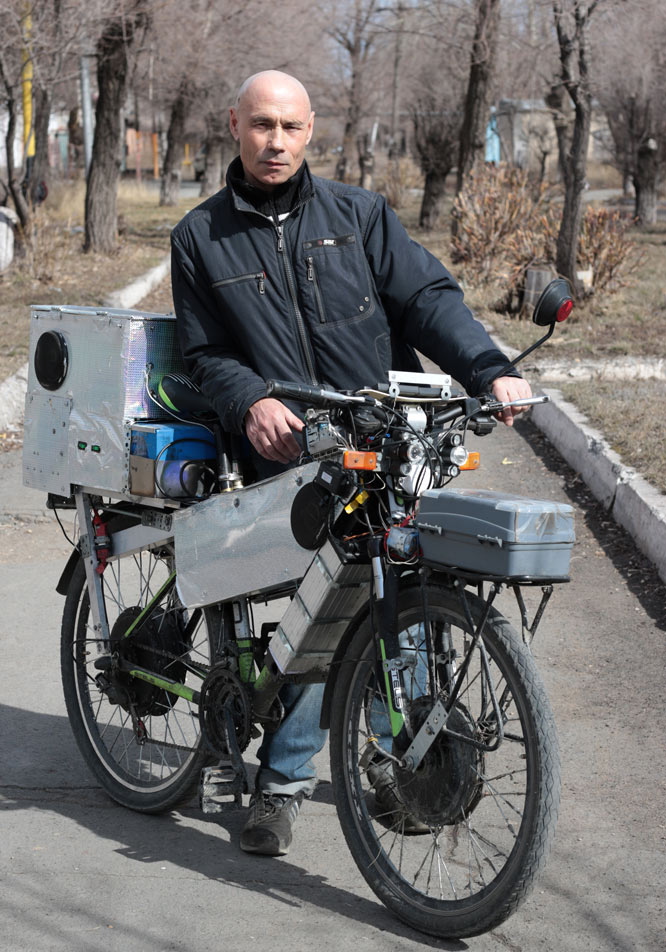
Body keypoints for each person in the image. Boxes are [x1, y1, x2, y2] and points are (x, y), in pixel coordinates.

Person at [170, 69, 532, 857]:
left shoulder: (359, 216)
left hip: (387, 436)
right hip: (289, 448)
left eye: (291, 127)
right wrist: (252, 403)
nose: (276, 141)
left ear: (311, 133)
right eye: (261, 124)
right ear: (235, 124)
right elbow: (205, 354)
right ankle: (282, 785)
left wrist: (487, 368)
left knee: (403, 590)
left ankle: (392, 759)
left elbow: (428, 300)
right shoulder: (199, 236)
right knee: (318, 616)